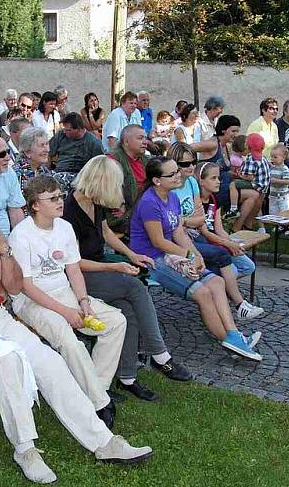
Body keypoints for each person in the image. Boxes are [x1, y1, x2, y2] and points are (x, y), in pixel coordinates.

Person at [0, 173, 153, 484]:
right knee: (10, 364)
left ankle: (103, 441)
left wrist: (3, 252)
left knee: (52, 363)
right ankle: (25, 448)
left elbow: (14, 286)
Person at [63, 156, 192, 402]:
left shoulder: (94, 200)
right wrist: (116, 268)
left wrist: (133, 255)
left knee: (128, 311)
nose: (119, 191)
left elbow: (105, 232)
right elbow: (74, 263)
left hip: (98, 263)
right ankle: (160, 355)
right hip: (79, 275)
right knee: (133, 286)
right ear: (102, 183)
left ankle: (127, 377)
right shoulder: (70, 210)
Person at [9, 176, 126, 427]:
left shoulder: (64, 227)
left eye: (60, 196)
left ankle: (97, 387)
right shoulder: (21, 236)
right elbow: (26, 287)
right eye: (52, 198)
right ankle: (100, 404)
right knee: (68, 339)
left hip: (64, 293)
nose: (60, 201)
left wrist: (83, 302)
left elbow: (73, 270)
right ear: (35, 205)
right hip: (32, 300)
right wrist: (65, 312)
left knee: (116, 321)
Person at [129, 156, 262, 361]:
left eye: (177, 171)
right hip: (152, 259)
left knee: (217, 281)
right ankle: (230, 340)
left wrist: (196, 254)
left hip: (171, 254)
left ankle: (234, 336)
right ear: (157, 180)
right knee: (203, 293)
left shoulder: (171, 197)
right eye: (172, 173)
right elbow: (158, 242)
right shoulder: (149, 202)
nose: (178, 175)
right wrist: (189, 255)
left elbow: (178, 232)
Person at [170, 142, 264, 318]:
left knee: (232, 265)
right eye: (185, 164)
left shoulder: (191, 182)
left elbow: (200, 220)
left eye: (193, 162)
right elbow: (176, 224)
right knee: (221, 258)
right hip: (180, 239)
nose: (191, 167)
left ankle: (227, 304)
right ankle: (239, 304)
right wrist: (190, 221)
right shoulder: (171, 189)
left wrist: (189, 221)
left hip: (195, 234)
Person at [195, 161, 263, 298]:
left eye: (219, 178)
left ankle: (223, 285)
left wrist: (233, 243)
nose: (218, 181)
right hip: (206, 243)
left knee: (248, 266)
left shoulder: (215, 199)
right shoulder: (196, 201)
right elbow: (206, 233)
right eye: (213, 178)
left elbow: (219, 229)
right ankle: (218, 287)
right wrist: (228, 244)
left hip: (219, 241)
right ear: (201, 181)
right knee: (231, 270)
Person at [106, 124, 149, 237]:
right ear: (126, 142)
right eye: (140, 138)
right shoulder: (112, 160)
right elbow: (105, 188)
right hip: (119, 217)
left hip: (140, 211)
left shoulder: (146, 160)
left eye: (146, 138)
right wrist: (119, 203)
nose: (145, 142)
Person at [50, 112, 103, 183]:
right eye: (64, 129)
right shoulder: (61, 135)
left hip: (78, 177)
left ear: (79, 129)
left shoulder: (94, 143)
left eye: (68, 130)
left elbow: (99, 167)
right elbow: (48, 152)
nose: (65, 132)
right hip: (58, 172)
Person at [241, 133, 272, 231]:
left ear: (249, 146)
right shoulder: (263, 158)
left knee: (233, 186)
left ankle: (233, 209)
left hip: (255, 186)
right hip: (264, 187)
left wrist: (240, 175)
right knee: (256, 206)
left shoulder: (251, 158)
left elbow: (249, 177)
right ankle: (249, 224)